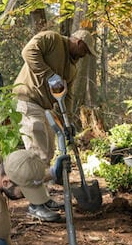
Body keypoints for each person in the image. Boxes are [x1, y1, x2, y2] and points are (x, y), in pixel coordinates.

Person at [13, 29, 97, 221]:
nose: (86, 55)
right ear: (78, 42)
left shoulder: (72, 68)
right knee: (37, 154)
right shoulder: (51, 38)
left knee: (48, 152)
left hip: (45, 107)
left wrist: (67, 121)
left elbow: (67, 94)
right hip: (27, 99)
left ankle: (42, 198)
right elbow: (28, 52)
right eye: (86, 50)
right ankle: (35, 205)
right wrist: (49, 74)